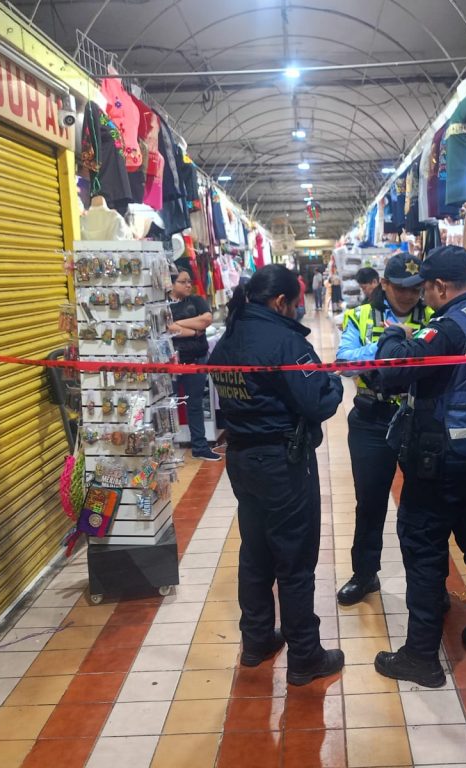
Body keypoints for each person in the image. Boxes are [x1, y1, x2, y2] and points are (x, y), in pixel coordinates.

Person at [371, 245, 466, 688]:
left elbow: (394, 369)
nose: (424, 296)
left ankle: (421, 657)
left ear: (440, 286)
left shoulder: (448, 328)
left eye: (426, 288)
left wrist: (392, 334)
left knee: (423, 548)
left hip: (440, 459)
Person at [208, 264, 346, 685]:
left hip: (242, 459)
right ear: (282, 301)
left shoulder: (228, 337)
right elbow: (318, 402)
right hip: (282, 463)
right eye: (295, 303)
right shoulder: (285, 342)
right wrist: (335, 384)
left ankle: (256, 641)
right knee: (294, 559)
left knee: (255, 552)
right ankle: (305, 656)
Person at [334, 254, 436, 606]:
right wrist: (386, 343)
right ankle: (364, 574)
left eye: (415, 288)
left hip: (420, 418)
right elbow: (344, 363)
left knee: (424, 504)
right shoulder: (360, 315)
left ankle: (429, 582)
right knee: (370, 501)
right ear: (384, 284)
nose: (408, 295)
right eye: (400, 288)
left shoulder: (435, 316)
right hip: (371, 419)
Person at [168, 268, 221, 461]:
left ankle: (200, 446)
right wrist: (193, 331)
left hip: (196, 361)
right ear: (172, 284)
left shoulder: (197, 301)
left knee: (195, 405)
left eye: (189, 281)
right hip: (172, 364)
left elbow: (206, 320)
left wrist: (178, 323)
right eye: (183, 282)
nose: (188, 285)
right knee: (168, 406)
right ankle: (167, 449)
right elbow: (168, 327)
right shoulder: (163, 305)